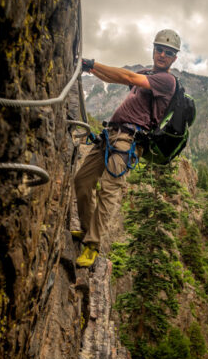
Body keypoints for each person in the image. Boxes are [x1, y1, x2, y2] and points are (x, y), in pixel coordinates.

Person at [74, 28, 181, 268]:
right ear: (154, 50)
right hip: (110, 134)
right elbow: (115, 77)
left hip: (128, 141)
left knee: (109, 190)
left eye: (168, 52)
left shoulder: (166, 81)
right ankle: (85, 231)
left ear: (175, 58)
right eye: (159, 49)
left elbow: (128, 78)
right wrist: (89, 67)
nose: (162, 54)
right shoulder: (147, 73)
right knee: (82, 180)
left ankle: (92, 245)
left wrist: (92, 63)